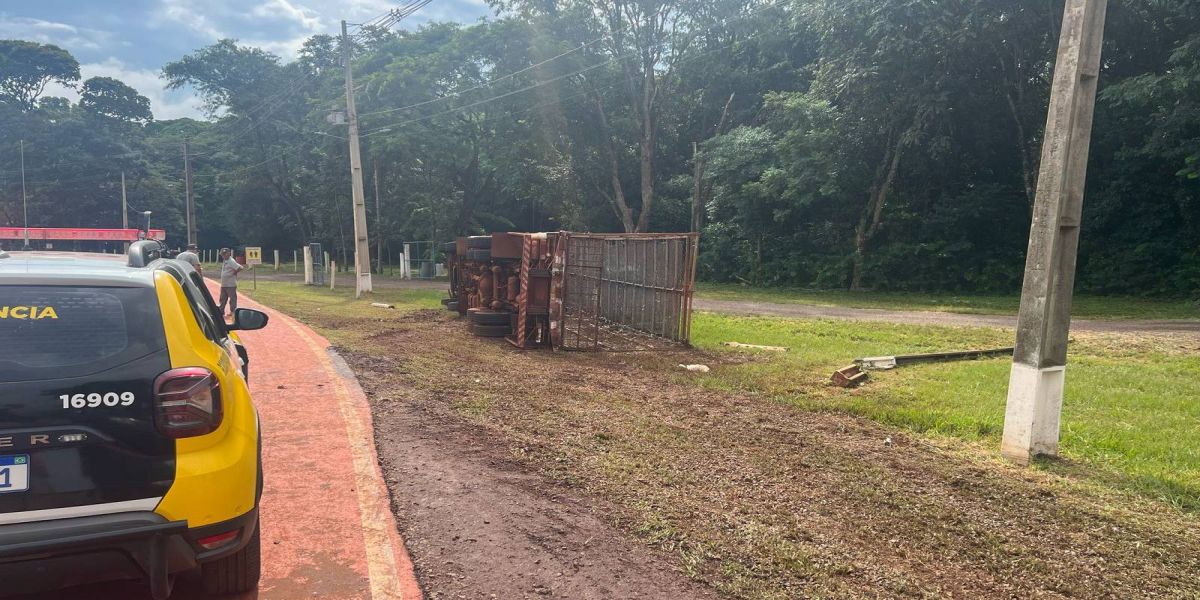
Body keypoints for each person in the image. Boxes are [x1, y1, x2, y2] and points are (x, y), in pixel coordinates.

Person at [217, 248, 245, 318]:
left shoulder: (231, 261)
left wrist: (234, 273)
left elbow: (240, 267)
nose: (223, 256)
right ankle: (221, 312)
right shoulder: (225, 260)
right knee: (222, 299)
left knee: (232, 299)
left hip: (230, 284)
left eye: (225, 254)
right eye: (222, 255)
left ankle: (233, 312)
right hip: (224, 284)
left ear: (229, 253)